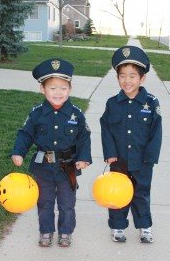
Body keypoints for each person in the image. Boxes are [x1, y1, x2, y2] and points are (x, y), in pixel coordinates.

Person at [11, 58, 92, 247]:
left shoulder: (76, 114)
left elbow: (84, 138)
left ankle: (65, 232)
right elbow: (25, 134)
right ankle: (46, 231)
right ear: (42, 89)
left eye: (63, 88)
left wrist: (84, 158)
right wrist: (18, 152)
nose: (58, 93)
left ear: (70, 90)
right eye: (52, 88)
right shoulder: (36, 113)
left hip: (68, 167)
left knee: (67, 203)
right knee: (44, 202)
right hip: (43, 168)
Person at [100, 46, 162, 243]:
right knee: (117, 194)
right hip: (118, 160)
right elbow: (106, 128)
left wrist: (150, 158)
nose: (127, 80)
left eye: (133, 76)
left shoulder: (151, 103)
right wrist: (109, 152)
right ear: (117, 78)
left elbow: (156, 132)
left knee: (141, 193)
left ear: (142, 79)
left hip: (142, 160)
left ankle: (145, 227)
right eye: (122, 75)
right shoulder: (112, 103)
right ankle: (118, 227)